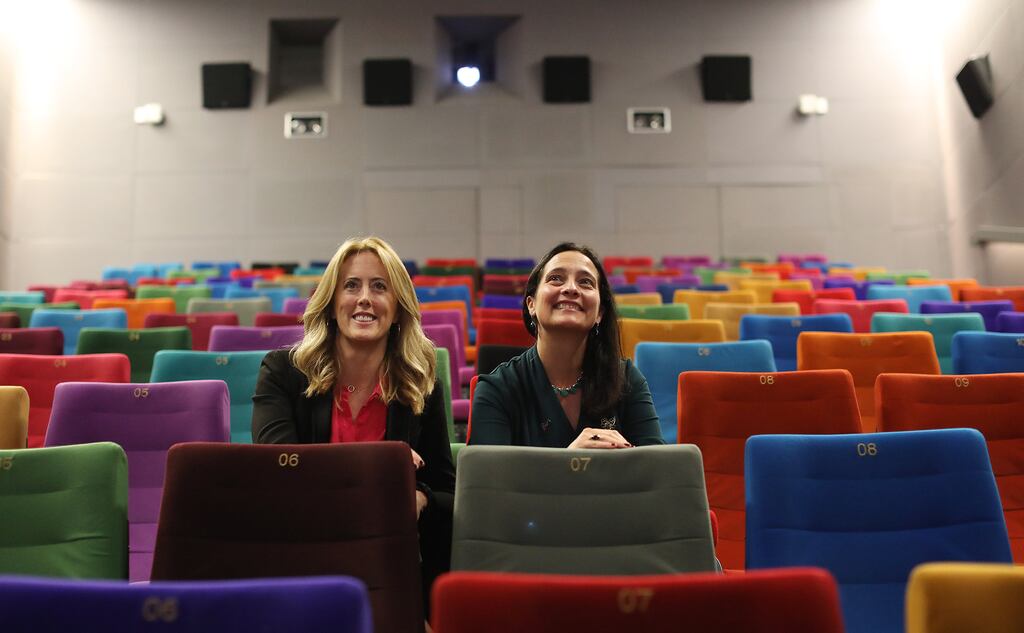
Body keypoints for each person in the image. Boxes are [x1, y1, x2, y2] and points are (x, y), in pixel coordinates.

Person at [251, 235, 455, 614]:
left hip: (387, 558)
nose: (365, 298)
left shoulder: (420, 381)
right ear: (331, 304)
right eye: (351, 286)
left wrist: (420, 497)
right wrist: (383, 465)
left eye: (380, 287)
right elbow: (278, 472)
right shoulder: (282, 373)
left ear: (397, 308)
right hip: (300, 554)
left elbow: (447, 490)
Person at [470, 242, 664, 448]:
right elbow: (488, 479)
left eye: (585, 282)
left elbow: (657, 470)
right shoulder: (496, 389)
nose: (571, 288)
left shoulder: (626, 379)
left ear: (599, 313)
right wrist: (569, 461)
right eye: (555, 278)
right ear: (531, 304)